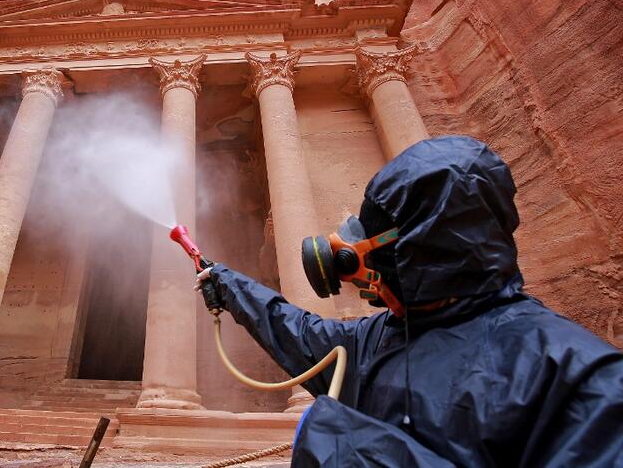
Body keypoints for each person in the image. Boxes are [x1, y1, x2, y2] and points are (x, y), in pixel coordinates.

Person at [196, 136, 623, 467]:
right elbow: (298, 332)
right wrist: (228, 284)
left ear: (420, 251)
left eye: (369, 242)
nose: (351, 262)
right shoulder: (382, 334)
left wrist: (349, 451)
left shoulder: (580, 379)